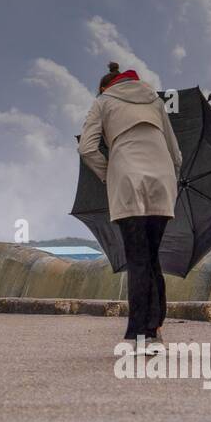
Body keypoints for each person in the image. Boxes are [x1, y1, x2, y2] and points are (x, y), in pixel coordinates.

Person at [78, 62, 182, 354]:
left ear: (104, 87)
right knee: (152, 258)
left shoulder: (103, 102)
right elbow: (176, 154)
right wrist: (166, 176)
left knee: (137, 259)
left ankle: (137, 335)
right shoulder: (154, 100)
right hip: (162, 181)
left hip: (127, 181)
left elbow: (87, 147)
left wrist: (109, 171)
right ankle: (154, 330)